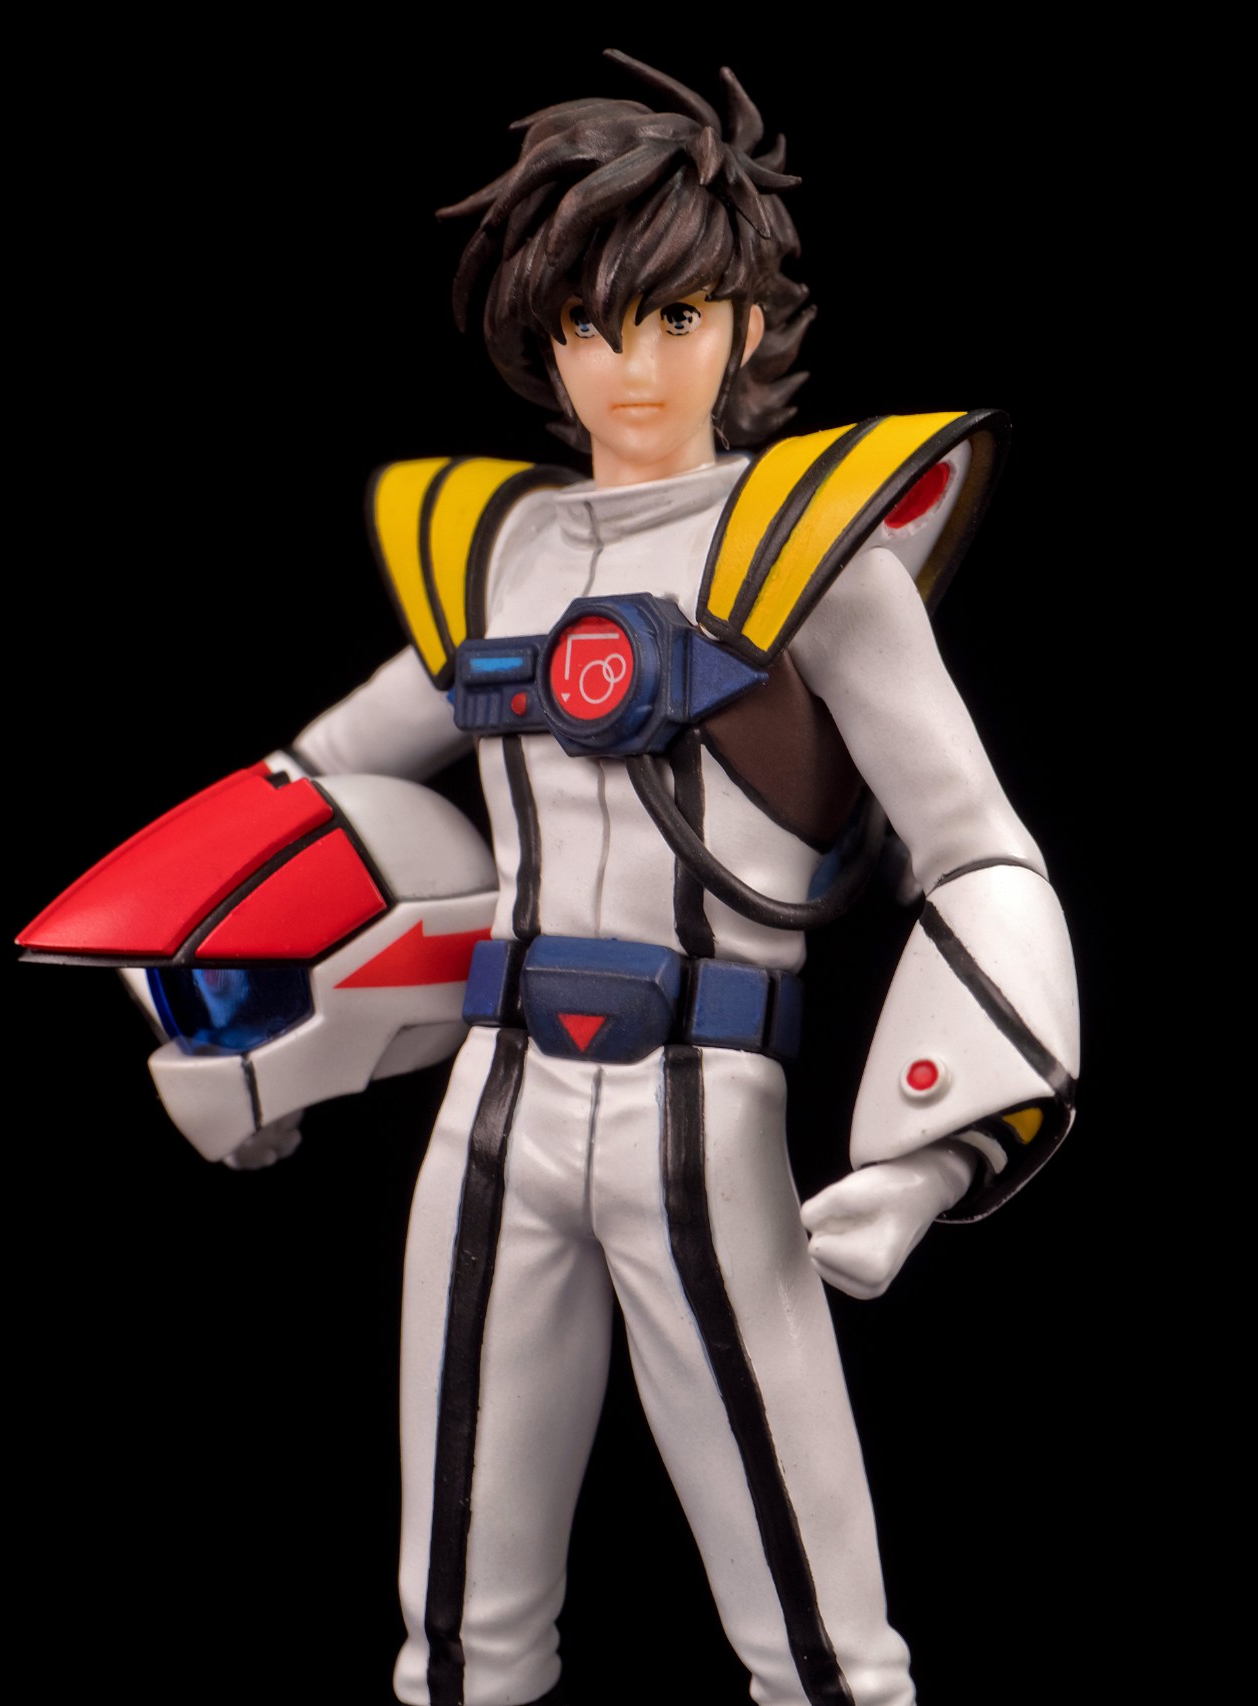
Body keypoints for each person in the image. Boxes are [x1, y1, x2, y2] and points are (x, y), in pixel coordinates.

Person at [278, 51, 1078, 1706]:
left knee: (820, 1636)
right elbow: (316, 785)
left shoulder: (816, 561)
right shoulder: (492, 556)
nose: (631, 366)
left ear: (743, 321)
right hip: (492, 1106)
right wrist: (242, 1026)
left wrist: (928, 1155)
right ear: (543, 341)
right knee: (457, 1626)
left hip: (704, 1108)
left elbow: (979, 847)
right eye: (589, 325)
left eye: (674, 316)